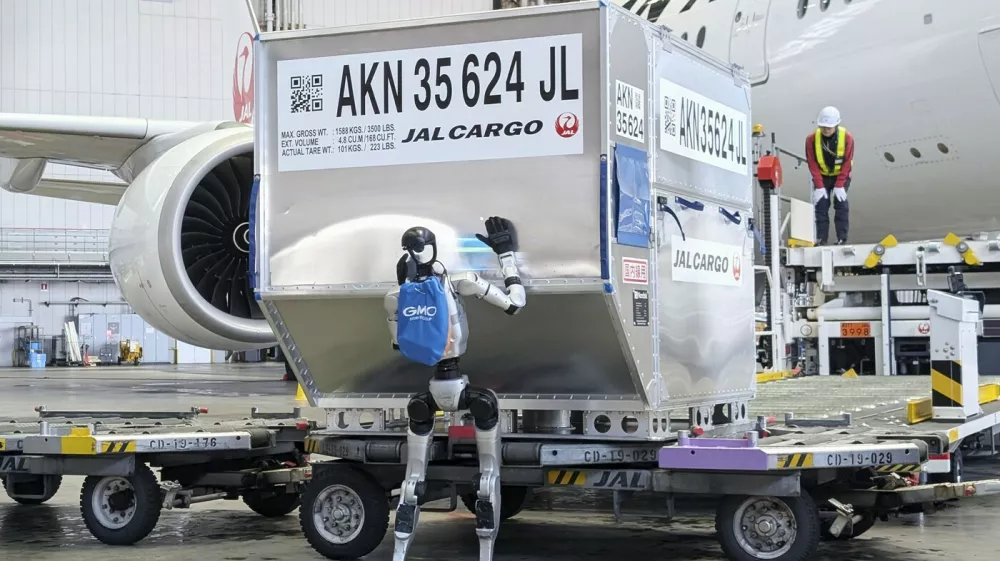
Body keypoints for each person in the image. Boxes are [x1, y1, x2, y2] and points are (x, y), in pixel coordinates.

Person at [806, 106, 855, 245]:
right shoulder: (811, 139)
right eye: (823, 127)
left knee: (841, 205)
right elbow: (812, 163)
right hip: (822, 176)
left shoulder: (847, 138)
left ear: (836, 125)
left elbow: (847, 162)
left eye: (829, 127)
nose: (826, 130)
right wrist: (819, 186)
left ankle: (842, 238)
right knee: (821, 206)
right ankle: (821, 239)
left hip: (842, 175)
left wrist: (840, 185)